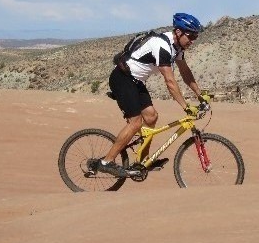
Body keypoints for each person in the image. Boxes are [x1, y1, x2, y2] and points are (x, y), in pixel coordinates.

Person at [88, 12, 211, 178]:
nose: (193, 41)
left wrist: (200, 94)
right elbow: (170, 82)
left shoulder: (177, 48)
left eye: (195, 37)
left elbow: (185, 71)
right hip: (122, 79)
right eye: (191, 36)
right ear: (179, 32)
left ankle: (143, 160)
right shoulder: (162, 46)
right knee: (136, 123)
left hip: (136, 82)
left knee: (151, 117)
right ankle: (107, 162)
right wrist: (186, 106)